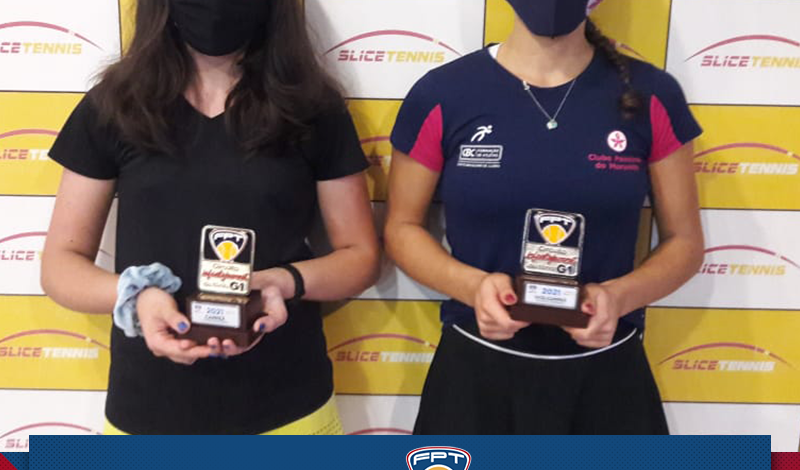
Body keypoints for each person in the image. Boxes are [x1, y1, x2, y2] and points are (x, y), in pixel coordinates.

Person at [41, 0, 379, 435]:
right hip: (146, 411)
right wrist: (137, 296)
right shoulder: (114, 106)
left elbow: (360, 256)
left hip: (289, 409)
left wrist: (283, 282)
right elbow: (60, 265)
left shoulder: (314, 109)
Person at [384, 0, 704, 434]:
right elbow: (402, 228)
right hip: (477, 373)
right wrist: (474, 287)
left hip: (605, 375)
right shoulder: (443, 93)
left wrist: (618, 297)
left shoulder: (652, 93)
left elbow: (684, 242)